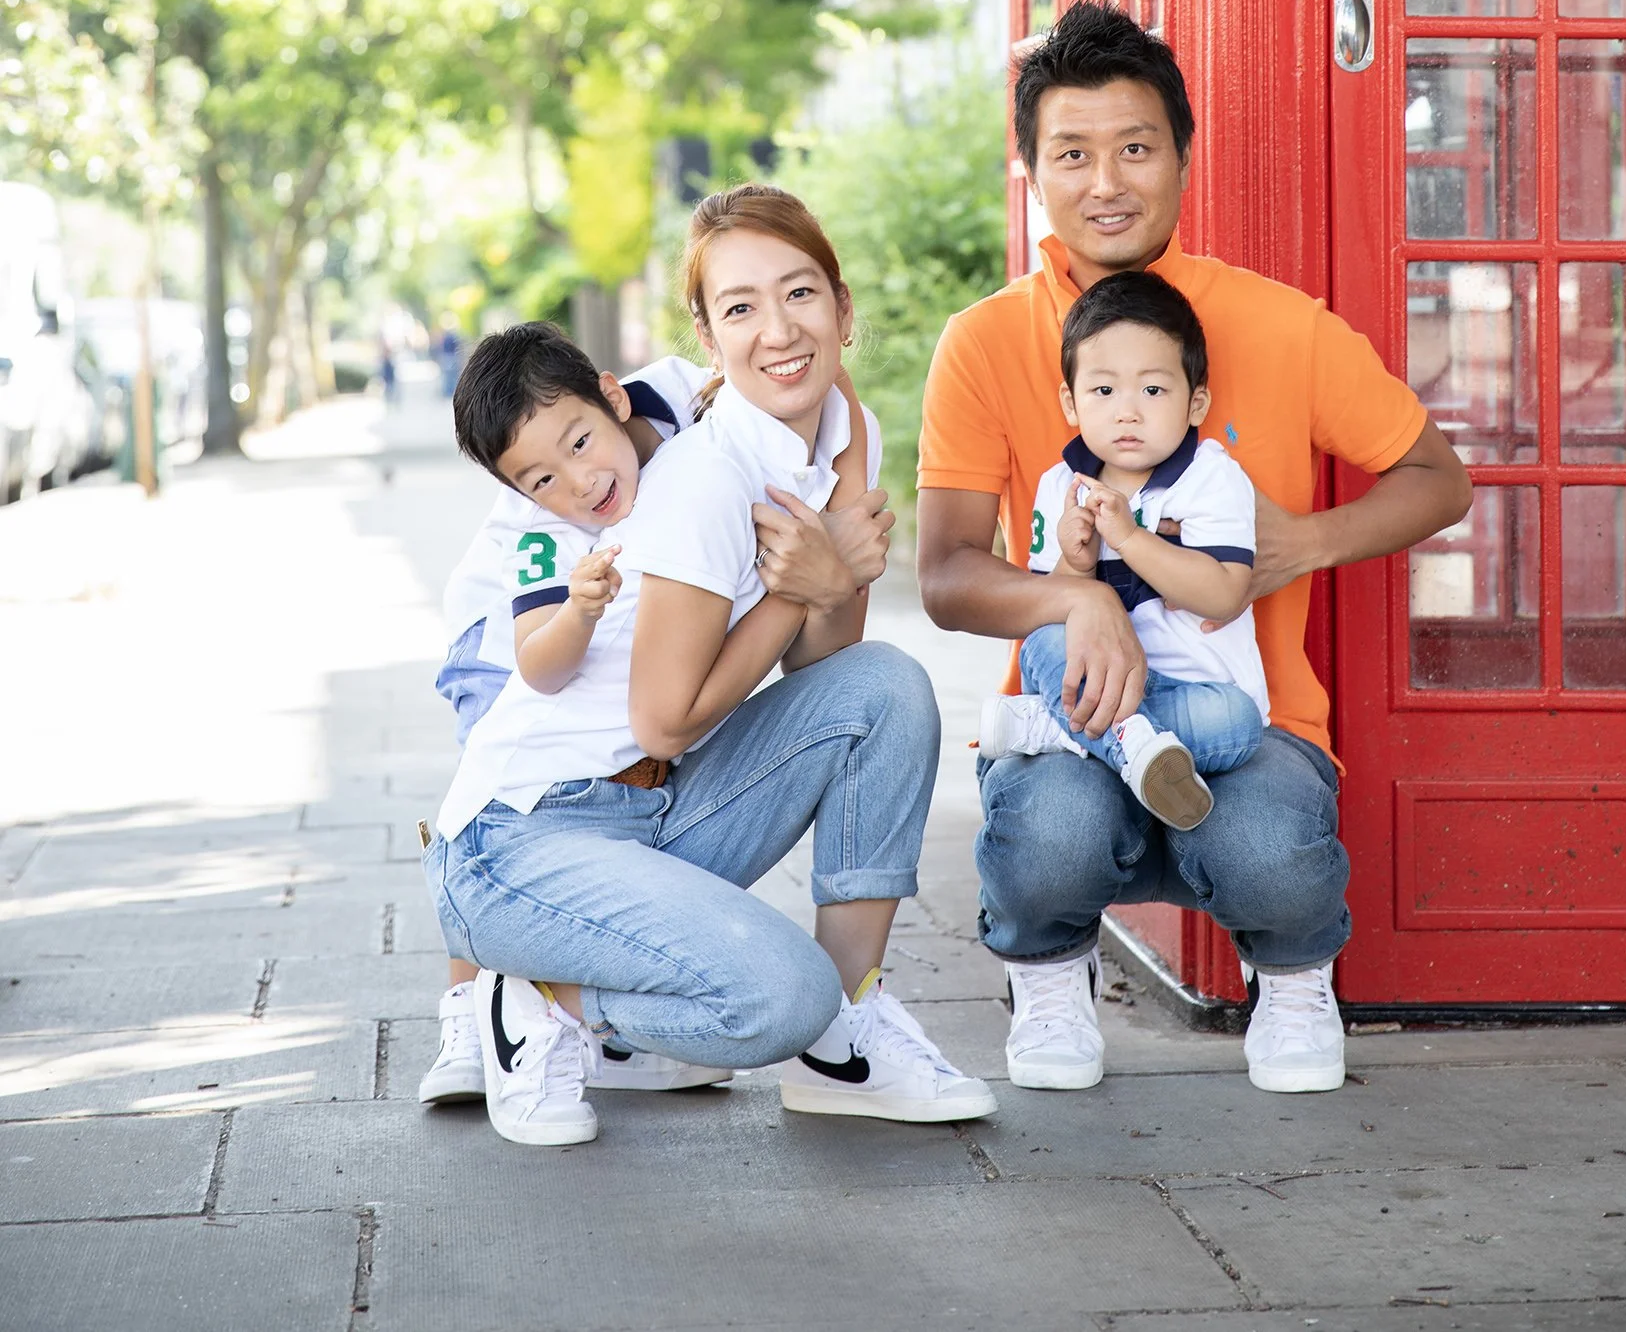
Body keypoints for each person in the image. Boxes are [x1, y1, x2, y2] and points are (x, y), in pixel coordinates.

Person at [917, 0, 1471, 1099]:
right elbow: (941, 573)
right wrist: (1080, 603)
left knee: (1272, 850)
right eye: (1070, 153)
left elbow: (1437, 478)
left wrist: (1299, 543)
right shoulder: (984, 340)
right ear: (1030, 168)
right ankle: (1047, 974)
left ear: (1179, 156)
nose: (1105, 182)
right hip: (1077, 715)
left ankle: (1295, 979)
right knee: (1054, 837)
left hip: (1246, 717)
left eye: (1134, 147)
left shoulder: (1280, 326)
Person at [425, 184, 995, 1143]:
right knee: (776, 997)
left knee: (882, 689)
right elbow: (664, 717)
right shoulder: (694, 480)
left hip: (650, 805)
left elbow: (825, 656)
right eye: (741, 308)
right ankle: (536, 999)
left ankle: (844, 1032)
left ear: (842, 308)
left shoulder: (828, 426)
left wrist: (834, 544)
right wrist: (799, 583)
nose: (778, 329)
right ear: (708, 334)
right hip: (523, 823)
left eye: (801, 294)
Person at [418, 338, 706, 1108]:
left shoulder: (678, 396)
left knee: (610, 805)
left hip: (577, 626)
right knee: (501, 802)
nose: (579, 478)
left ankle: (597, 1026)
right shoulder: (536, 523)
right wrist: (578, 608)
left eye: (582, 443)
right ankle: (469, 1008)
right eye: (544, 476)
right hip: (498, 640)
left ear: (614, 396)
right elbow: (541, 664)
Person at [979, 271, 1265, 833]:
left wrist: (1131, 539)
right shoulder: (1060, 485)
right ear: (1071, 401)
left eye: (1153, 391)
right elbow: (1046, 613)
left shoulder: (1212, 478)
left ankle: (1060, 728)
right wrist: (1076, 566)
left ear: (1196, 400)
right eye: (1104, 391)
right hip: (1092, 675)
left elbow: (1224, 593)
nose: (1127, 411)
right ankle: (1131, 741)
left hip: (1194, 695)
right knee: (1044, 637)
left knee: (1239, 722)